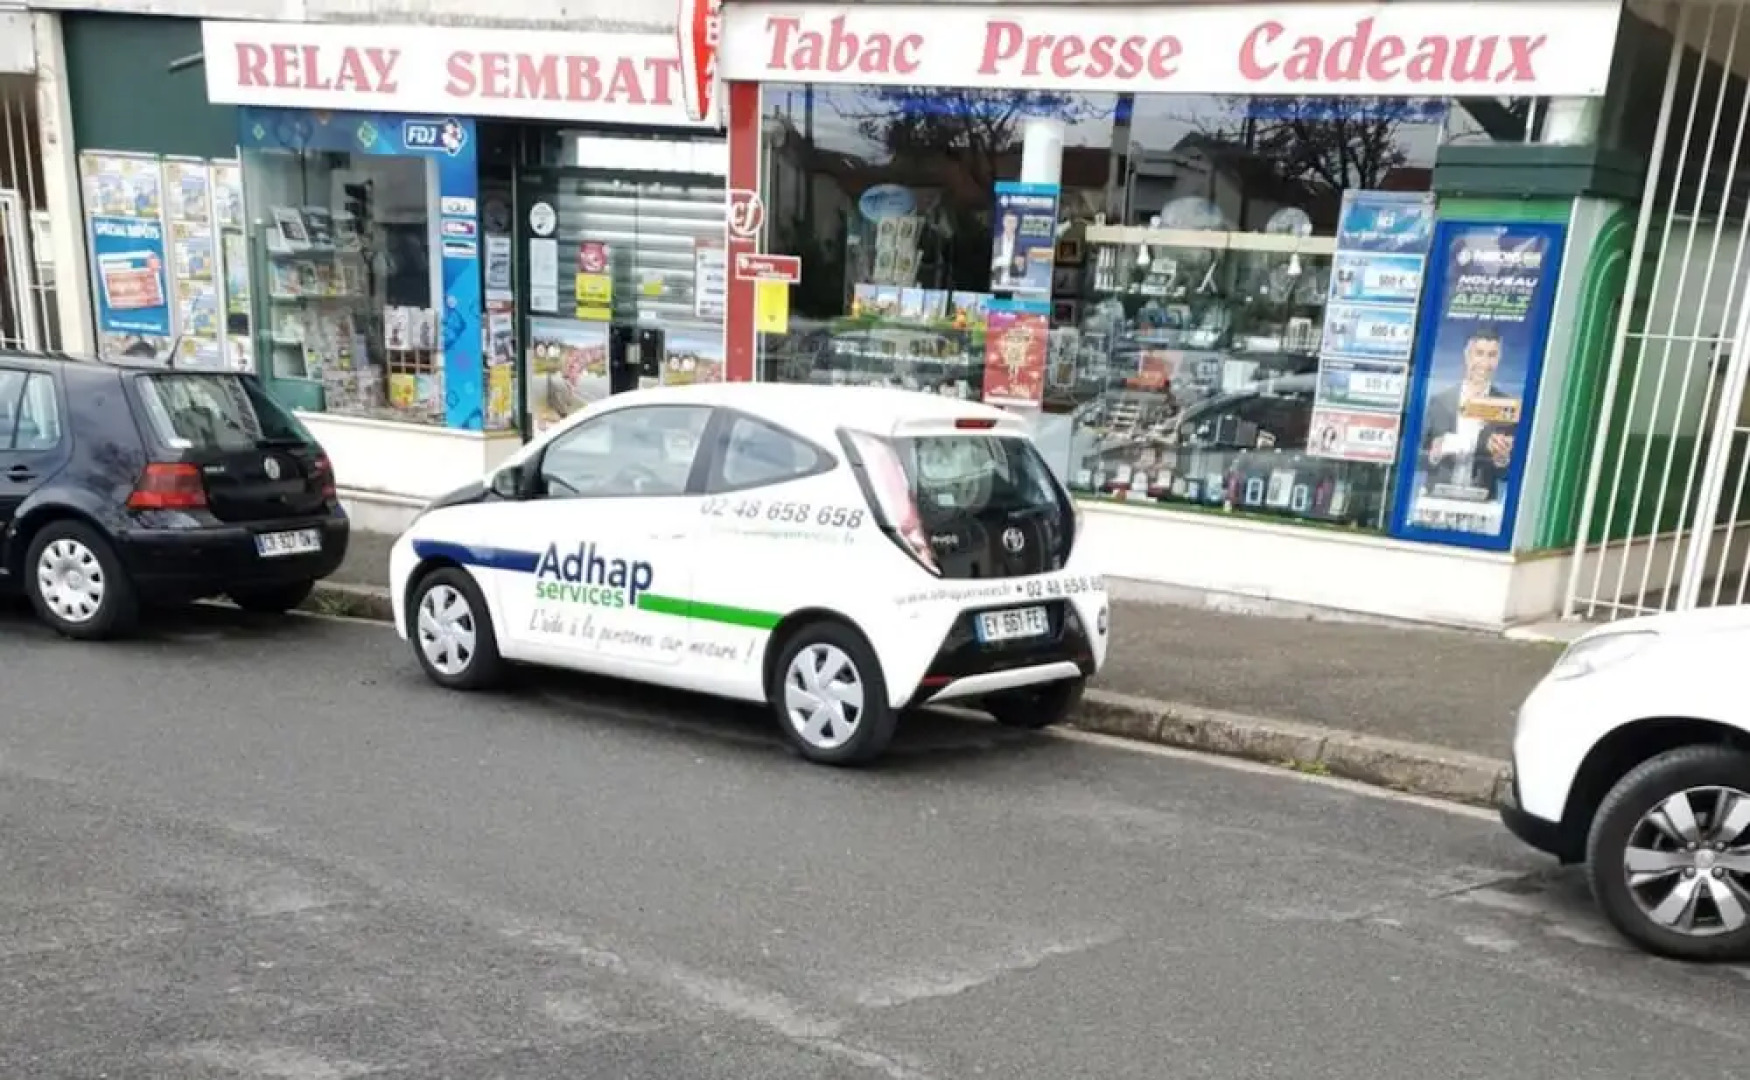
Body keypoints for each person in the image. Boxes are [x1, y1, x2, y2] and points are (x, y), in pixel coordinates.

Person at [1418, 325, 1517, 498]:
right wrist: (1434, 454)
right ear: (1467, 355)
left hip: (1482, 502)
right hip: (1438, 499)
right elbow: (1416, 457)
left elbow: (1512, 473)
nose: (1485, 363)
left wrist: (1502, 459)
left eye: (1492, 355)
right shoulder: (1440, 402)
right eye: (1479, 353)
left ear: (1499, 359)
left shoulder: (1506, 408)